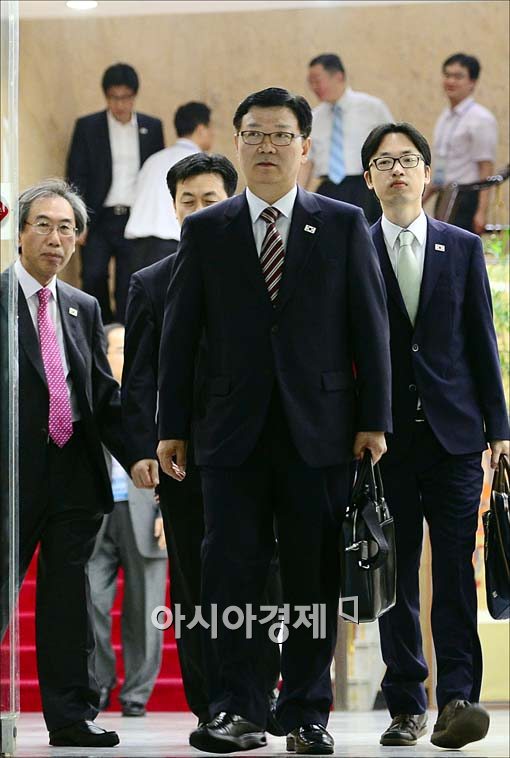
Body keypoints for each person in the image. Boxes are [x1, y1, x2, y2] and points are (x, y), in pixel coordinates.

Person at [157, 87, 392, 755]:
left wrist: (374, 418)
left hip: (321, 431)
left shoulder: (343, 223)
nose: (267, 146)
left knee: (313, 576)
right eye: (255, 134)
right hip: (230, 433)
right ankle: (237, 708)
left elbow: (370, 327)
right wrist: (172, 425)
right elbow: (180, 336)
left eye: (281, 134)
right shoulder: (207, 229)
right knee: (230, 573)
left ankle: (307, 712)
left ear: (305, 146)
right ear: (236, 143)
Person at [362, 122, 509, 749]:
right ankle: (405, 705)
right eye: (384, 162)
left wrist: (500, 430)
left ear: (427, 174)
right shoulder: (354, 248)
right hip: (384, 441)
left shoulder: (463, 247)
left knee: (453, 572)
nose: (397, 170)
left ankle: (457, 700)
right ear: (369, 178)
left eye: (408, 160)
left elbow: (481, 339)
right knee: (392, 578)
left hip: (456, 439)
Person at [124, 153, 282, 731]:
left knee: (264, 577)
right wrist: (144, 449)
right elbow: (138, 379)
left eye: (209, 200)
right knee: (194, 583)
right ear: (173, 209)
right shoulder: (151, 282)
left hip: (258, 454)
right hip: (184, 460)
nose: (196, 210)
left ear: (232, 204)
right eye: (186, 201)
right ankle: (211, 703)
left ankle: (256, 697)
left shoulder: (264, 272)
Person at [0, 178, 135, 748]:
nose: (55, 239)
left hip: (73, 476)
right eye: (43, 226)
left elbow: (103, 396)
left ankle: (70, 717)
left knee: (66, 604)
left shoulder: (83, 307)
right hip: (10, 477)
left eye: (67, 228)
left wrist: (141, 457)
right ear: (20, 233)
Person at [88, 322, 167, 719]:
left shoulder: (156, 398)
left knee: (145, 610)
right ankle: (99, 682)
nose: (119, 356)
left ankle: (136, 693)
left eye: (124, 349)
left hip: (146, 513)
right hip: (99, 513)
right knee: (92, 602)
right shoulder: (90, 396)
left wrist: (166, 511)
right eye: (113, 349)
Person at [66, 63, 164, 323]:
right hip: (98, 217)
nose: (120, 104)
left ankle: (123, 334)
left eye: (125, 97)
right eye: (113, 97)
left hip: (134, 219)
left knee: (129, 283)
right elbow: (77, 175)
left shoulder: (152, 127)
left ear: (134, 96)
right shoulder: (88, 126)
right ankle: (100, 329)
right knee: (93, 276)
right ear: (106, 96)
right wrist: (79, 219)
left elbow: (156, 175)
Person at [300, 53, 393, 223]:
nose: (314, 87)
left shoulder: (372, 108)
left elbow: (392, 148)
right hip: (329, 188)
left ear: (338, 76)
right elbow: (306, 163)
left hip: (365, 188)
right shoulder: (314, 117)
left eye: (317, 80)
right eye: (310, 82)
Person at [124, 102, 213, 271]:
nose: (212, 134)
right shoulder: (202, 163)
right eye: (210, 128)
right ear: (201, 129)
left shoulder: (153, 160)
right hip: (173, 245)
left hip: (137, 248)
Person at [423, 53, 498, 234]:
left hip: (466, 199)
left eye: (458, 76)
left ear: (472, 82)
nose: (450, 81)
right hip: (444, 195)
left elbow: (486, 167)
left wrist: (481, 211)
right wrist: (421, 199)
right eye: (447, 75)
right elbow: (441, 165)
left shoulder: (481, 118)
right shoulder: (445, 117)